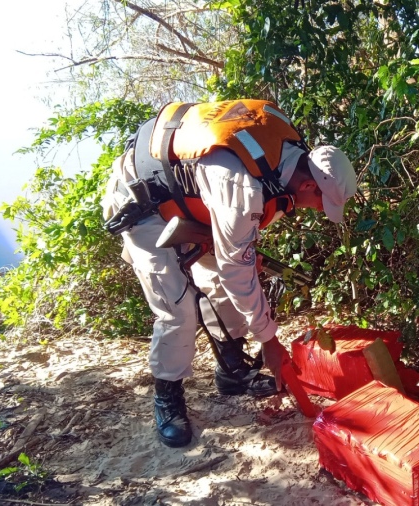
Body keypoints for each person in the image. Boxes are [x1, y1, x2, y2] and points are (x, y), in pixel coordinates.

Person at [101, 99, 357, 448]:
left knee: (224, 285)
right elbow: (236, 265)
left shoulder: (289, 158)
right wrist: (269, 340)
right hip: (142, 203)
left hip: (194, 197)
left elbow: (235, 258)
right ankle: (167, 396)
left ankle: (232, 371)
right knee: (178, 308)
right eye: (319, 204)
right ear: (310, 186)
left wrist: (241, 255)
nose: (315, 210)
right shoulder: (243, 187)